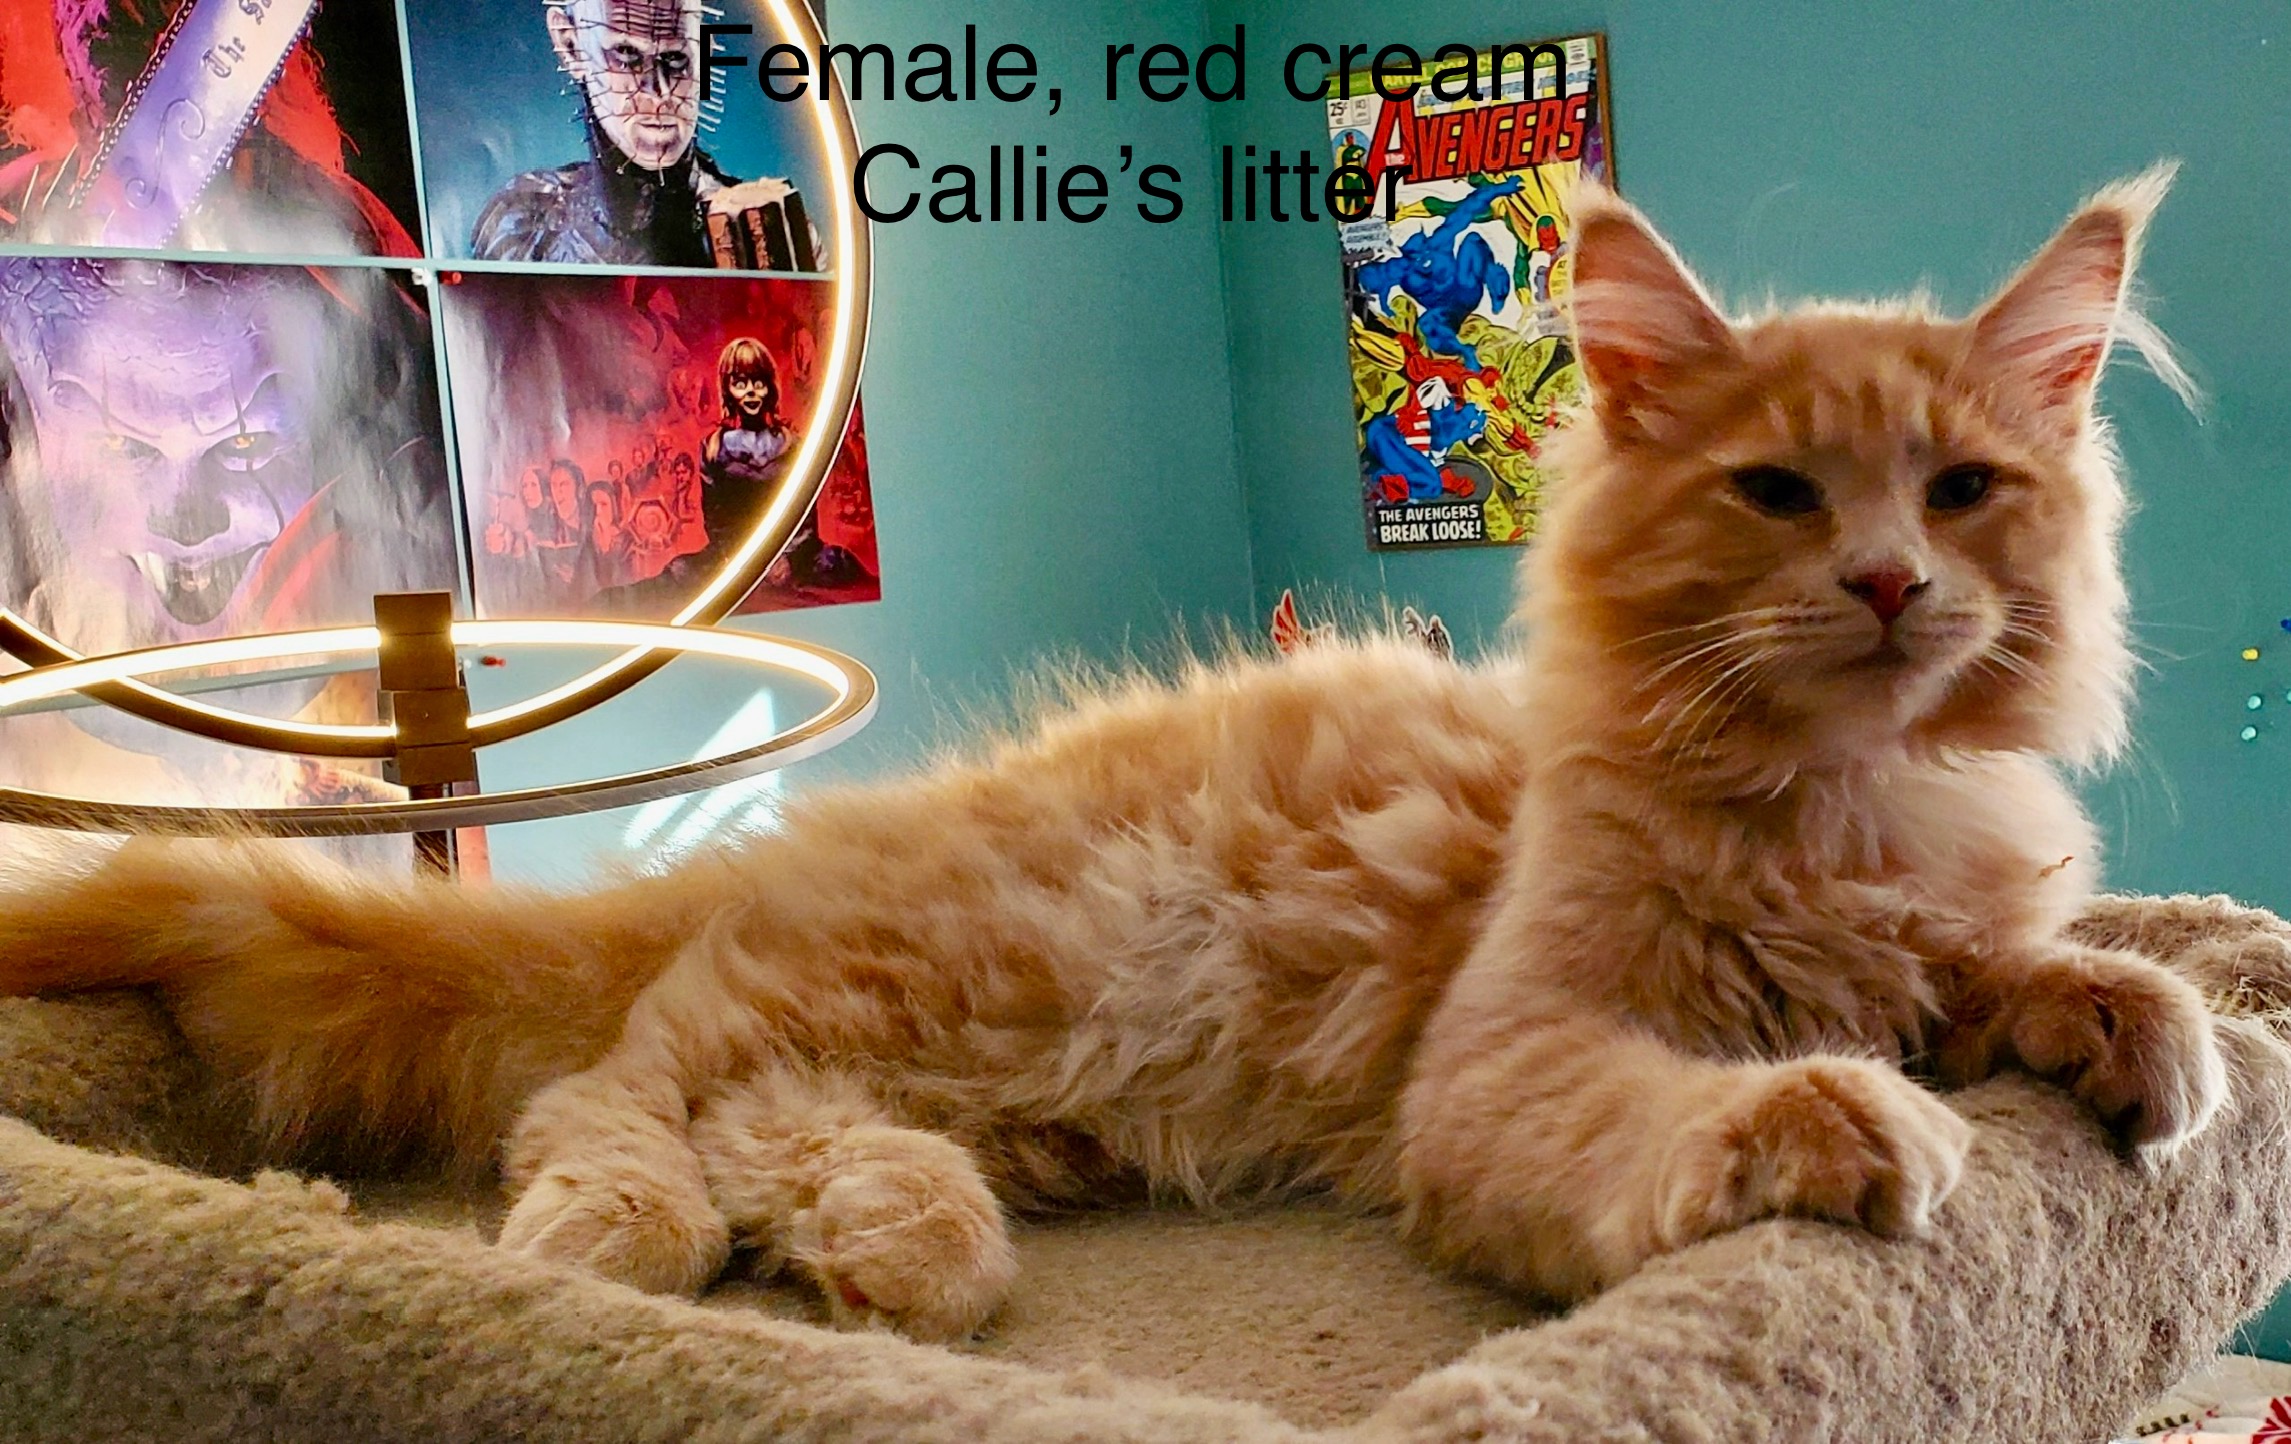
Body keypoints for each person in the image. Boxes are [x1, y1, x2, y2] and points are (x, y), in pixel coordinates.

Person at [469, 0, 823, 269]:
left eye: (676, 59)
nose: (660, 92)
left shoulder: (766, 228)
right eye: (627, 55)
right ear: (571, 46)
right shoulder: (525, 221)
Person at [697, 337, 793, 565]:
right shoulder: (714, 448)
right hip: (735, 558)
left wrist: (787, 560)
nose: (751, 391)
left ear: (770, 388)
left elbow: (804, 515)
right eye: (740, 384)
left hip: (790, 557)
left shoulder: (791, 445)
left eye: (758, 383)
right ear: (728, 390)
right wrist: (734, 559)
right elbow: (715, 519)